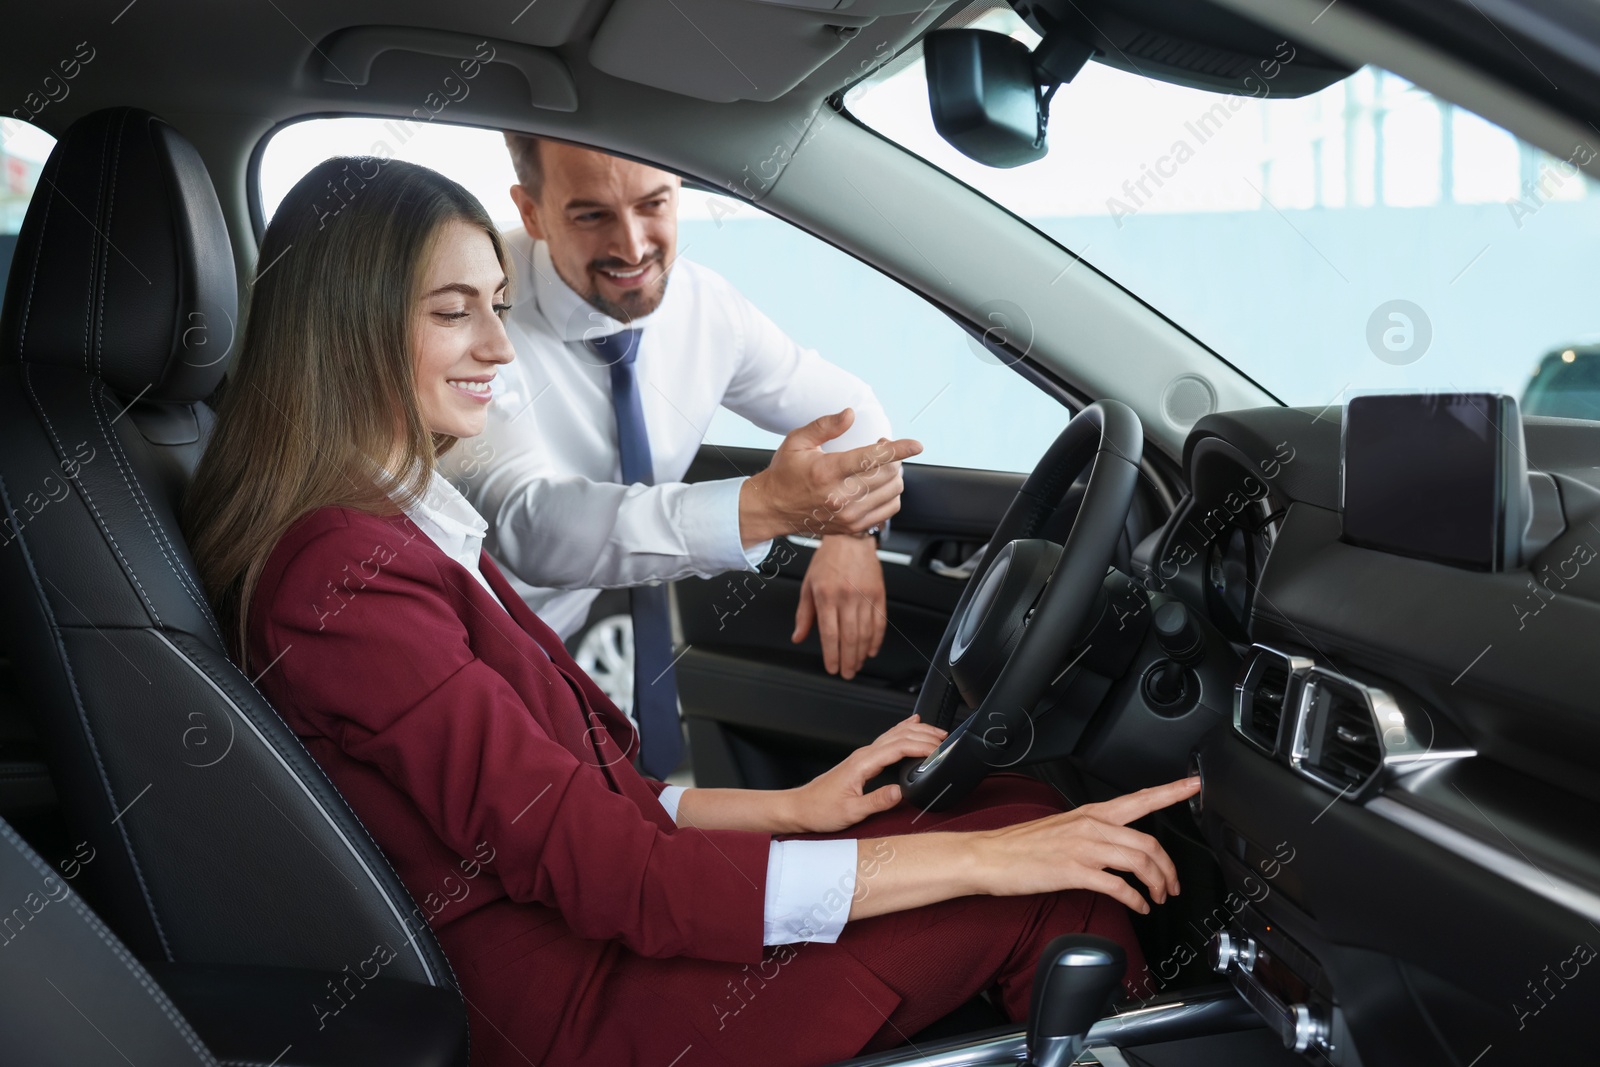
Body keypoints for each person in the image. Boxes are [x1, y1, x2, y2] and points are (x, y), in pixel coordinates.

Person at [184, 157, 1198, 1067]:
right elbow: (615, 870)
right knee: (1048, 879)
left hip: (588, 938)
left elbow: (580, 804)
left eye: (496, 302)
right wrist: (984, 862)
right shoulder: (349, 576)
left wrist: (793, 811)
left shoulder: (396, 525)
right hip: (577, 1010)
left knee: (1019, 808)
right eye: (455, 311)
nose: (500, 343)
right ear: (348, 326)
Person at [440, 135, 916, 774]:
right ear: (532, 213)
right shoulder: (478, 311)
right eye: (591, 215)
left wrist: (849, 534)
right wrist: (768, 508)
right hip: (464, 648)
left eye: (652, 204)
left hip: (568, 642)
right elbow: (534, 525)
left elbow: (851, 412)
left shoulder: (704, 305)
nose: (633, 248)